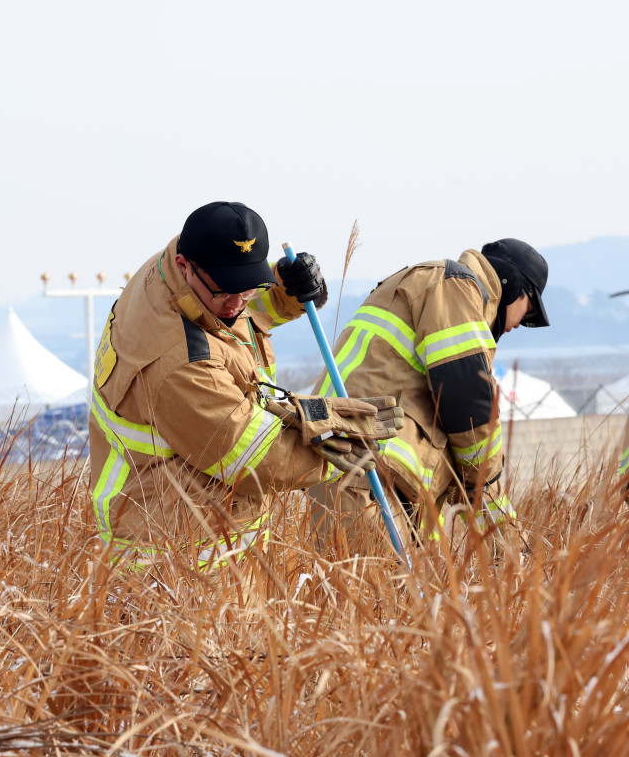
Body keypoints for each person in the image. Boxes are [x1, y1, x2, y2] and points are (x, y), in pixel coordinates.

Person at [88, 201, 402, 567]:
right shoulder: (178, 362)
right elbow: (257, 458)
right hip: (179, 554)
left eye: (250, 287)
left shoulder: (180, 268)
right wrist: (342, 449)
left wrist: (284, 289)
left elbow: (233, 312)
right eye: (225, 291)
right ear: (185, 266)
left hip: (204, 528)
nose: (237, 304)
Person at [307, 238, 550, 553]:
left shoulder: (435, 285)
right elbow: (467, 407)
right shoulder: (454, 288)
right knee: (381, 584)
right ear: (514, 285)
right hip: (368, 478)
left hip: (361, 473)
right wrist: (510, 541)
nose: (521, 324)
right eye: (530, 309)